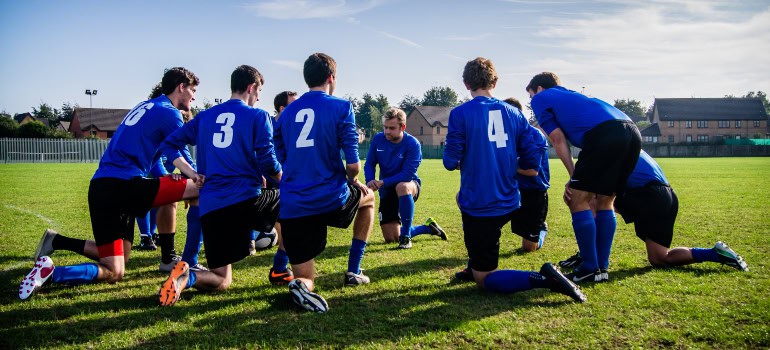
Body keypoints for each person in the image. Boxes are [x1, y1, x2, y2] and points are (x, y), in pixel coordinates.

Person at [20, 67, 201, 300]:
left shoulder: (144, 107)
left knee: (115, 268)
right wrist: (195, 177)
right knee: (200, 188)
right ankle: (180, 261)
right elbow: (181, 151)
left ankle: (51, 271)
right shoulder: (169, 113)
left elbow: (149, 156)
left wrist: (172, 179)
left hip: (101, 187)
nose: (194, 97)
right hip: (124, 186)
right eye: (193, 90)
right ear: (181, 87)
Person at [443, 57, 585, 303]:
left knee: (484, 279)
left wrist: (470, 158)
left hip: (481, 205)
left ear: (466, 83)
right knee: (465, 204)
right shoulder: (514, 114)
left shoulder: (460, 114)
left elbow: (449, 161)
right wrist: (510, 164)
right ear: (495, 82)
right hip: (511, 199)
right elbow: (534, 152)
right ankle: (475, 260)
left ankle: (543, 278)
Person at [156, 65, 282, 306]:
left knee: (222, 279)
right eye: (259, 91)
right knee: (293, 205)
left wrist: (191, 173)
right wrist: (284, 180)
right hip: (246, 200)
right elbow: (267, 160)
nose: (259, 97)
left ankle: (186, 277)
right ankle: (283, 267)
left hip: (212, 207)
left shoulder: (205, 117)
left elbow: (168, 145)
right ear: (251, 87)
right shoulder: (258, 116)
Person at [274, 52, 375, 313]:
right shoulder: (341, 107)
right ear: (331, 77)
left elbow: (281, 158)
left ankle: (301, 286)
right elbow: (353, 165)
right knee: (370, 200)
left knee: (306, 276)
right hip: (330, 198)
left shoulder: (285, 114)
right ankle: (354, 270)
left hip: (294, 204)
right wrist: (353, 180)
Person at [527, 72, 641, 283]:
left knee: (577, 199)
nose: (532, 101)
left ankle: (589, 267)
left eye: (531, 95)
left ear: (539, 89)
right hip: (631, 131)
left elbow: (557, 138)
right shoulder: (569, 96)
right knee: (605, 201)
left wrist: (574, 175)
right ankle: (601, 268)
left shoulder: (542, 98)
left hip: (605, 133)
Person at [559, 150, 749, 274]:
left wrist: (574, 188)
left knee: (588, 202)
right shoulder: (627, 141)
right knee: (659, 258)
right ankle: (714, 254)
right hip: (667, 196)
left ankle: (588, 257)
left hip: (647, 194)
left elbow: (597, 186)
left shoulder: (607, 146)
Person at [364, 107, 447, 249]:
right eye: (385, 127)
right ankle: (428, 228)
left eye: (391, 128)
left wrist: (382, 182)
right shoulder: (378, 139)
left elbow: (407, 175)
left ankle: (406, 238)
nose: (387, 131)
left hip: (410, 186)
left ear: (403, 127)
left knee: (402, 186)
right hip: (387, 190)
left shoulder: (413, 144)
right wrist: (370, 180)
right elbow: (370, 163)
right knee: (391, 238)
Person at [262, 90, 299, 286]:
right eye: (294, 105)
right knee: (292, 227)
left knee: (287, 229)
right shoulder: (266, 125)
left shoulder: (294, 128)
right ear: (282, 109)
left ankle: (279, 268)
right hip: (266, 186)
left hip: (285, 186)